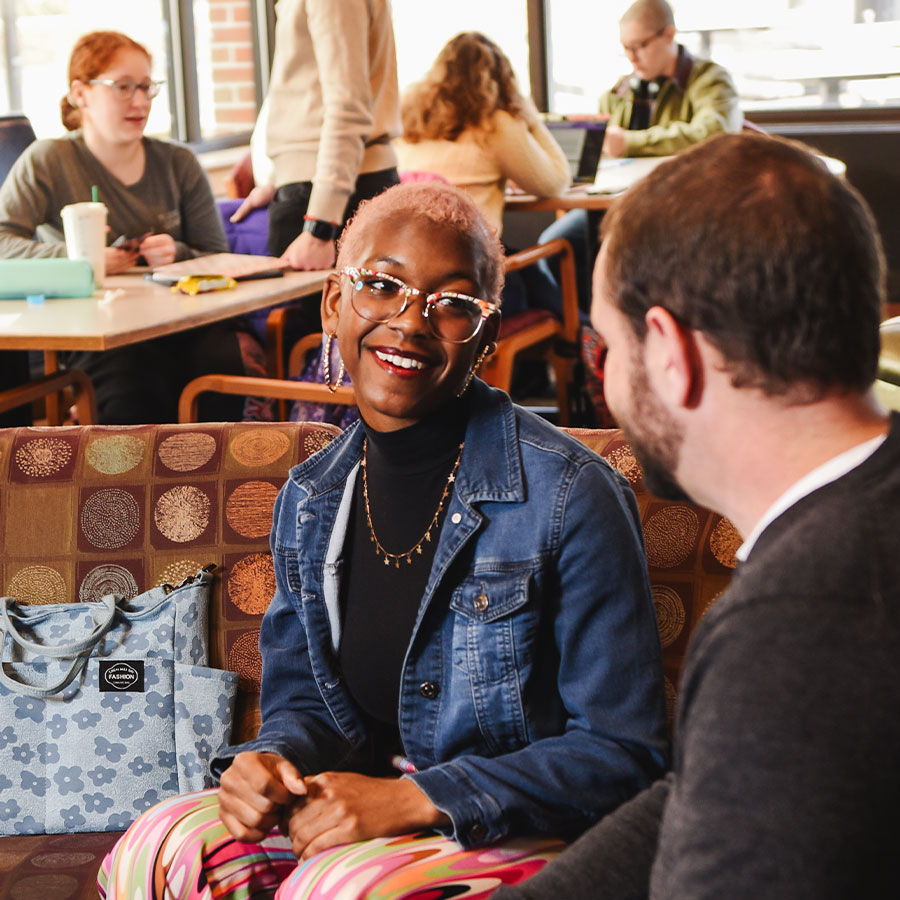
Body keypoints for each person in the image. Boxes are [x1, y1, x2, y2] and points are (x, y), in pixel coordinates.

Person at [98, 181, 668, 898]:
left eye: (452, 304)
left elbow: (625, 755)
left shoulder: (570, 495)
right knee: (164, 845)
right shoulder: (310, 498)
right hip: (360, 816)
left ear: (485, 337)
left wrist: (416, 799)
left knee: (336, 890)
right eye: (382, 285)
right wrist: (268, 762)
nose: (410, 321)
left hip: (517, 831)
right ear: (335, 302)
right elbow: (306, 707)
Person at [494, 131, 899, 899]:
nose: (607, 383)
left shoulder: (799, 628)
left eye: (604, 350)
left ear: (671, 354)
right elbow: (705, 795)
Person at [0, 30, 263, 424]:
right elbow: (4, 242)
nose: (140, 102)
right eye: (122, 87)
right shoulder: (49, 160)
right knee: (128, 387)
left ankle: (210, 481)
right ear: (80, 93)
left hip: (183, 322)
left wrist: (178, 252)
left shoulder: (178, 163)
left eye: (146, 87)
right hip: (98, 332)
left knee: (219, 362)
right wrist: (83, 261)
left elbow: (214, 254)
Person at [542, 0, 742, 314]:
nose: (632, 57)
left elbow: (714, 132)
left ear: (669, 35)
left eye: (640, 46)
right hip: (616, 207)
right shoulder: (620, 92)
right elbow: (599, 151)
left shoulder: (710, 80)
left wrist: (630, 142)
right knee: (557, 245)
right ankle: (596, 332)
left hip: (685, 206)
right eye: (626, 48)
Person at [396, 31, 570, 322]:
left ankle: (576, 337)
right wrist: (529, 116)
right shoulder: (493, 123)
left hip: (411, 278)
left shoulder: (409, 119)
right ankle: (578, 341)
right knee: (538, 266)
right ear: (500, 81)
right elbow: (556, 180)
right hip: (471, 283)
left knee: (525, 269)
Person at [236, 0, 402, 271]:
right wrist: (282, 177)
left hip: (328, 198)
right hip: (322, 186)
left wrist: (320, 227)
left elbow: (347, 106)